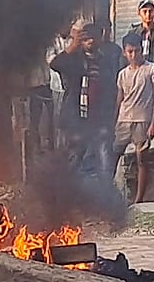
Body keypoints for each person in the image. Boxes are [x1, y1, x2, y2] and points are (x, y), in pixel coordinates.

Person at [49, 22, 121, 176]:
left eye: (93, 38)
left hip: (100, 118)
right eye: (86, 39)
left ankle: (104, 194)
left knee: (104, 162)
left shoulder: (106, 60)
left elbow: (113, 88)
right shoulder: (73, 59)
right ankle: (69, 193)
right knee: (74, 160)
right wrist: (72, 46)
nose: (90, 42)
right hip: (76, 118)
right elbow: (55, 64)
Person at [114, 32, 154, 203]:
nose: (134, 55)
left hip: (143, 120)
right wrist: (114, 120)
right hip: (124, 119)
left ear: (142, 50)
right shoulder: (122, 74)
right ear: (124, 52)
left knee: (142, 159)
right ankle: (112, 196)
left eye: (137, 51)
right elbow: (119, 99)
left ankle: (139, 199)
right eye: (130, 52)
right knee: (115, 155)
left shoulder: (151, 69)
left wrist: (153, 123)